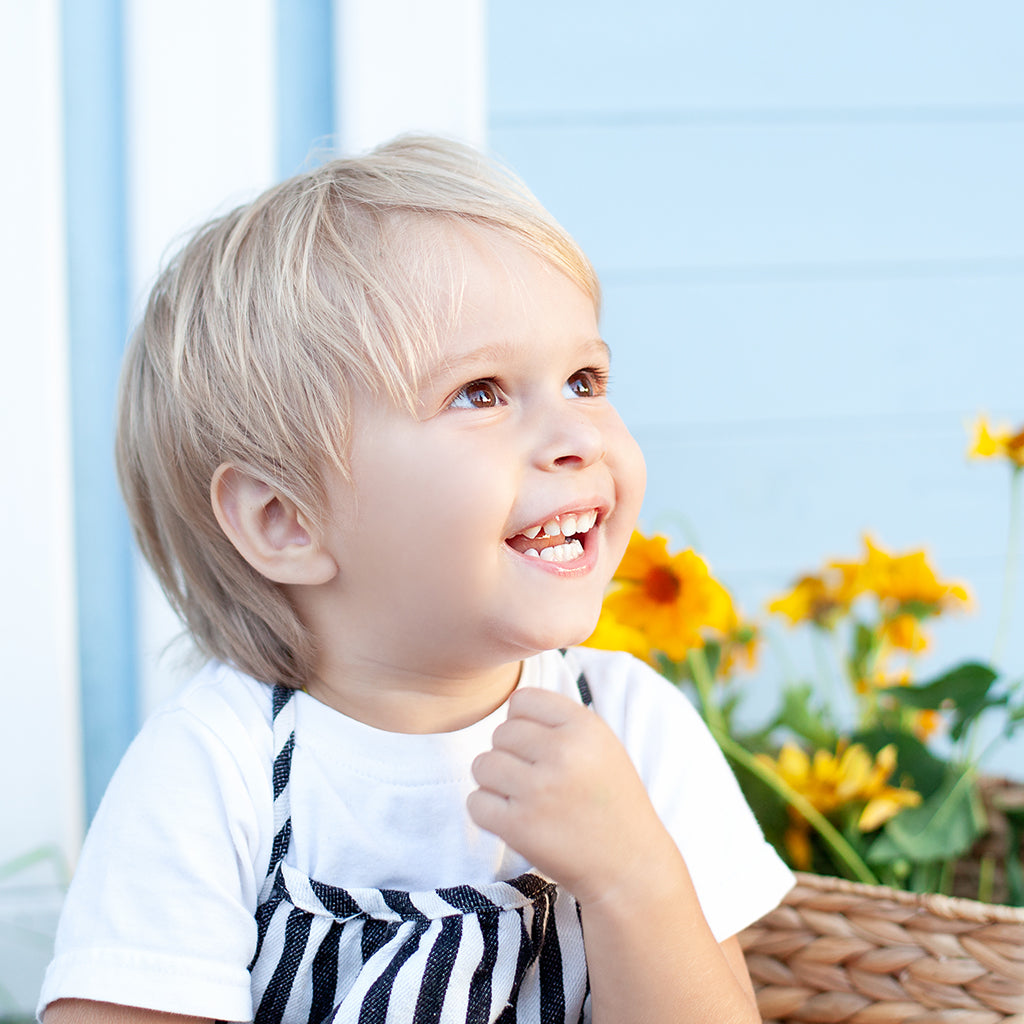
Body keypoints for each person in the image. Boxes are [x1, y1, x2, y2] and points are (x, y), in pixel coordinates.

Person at [39, 135, 793, 1024]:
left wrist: (635, 880)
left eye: (585, 378)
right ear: (287, 519)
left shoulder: (630, 728)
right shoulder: (217, 769)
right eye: (480, 392)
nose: (578, 435)